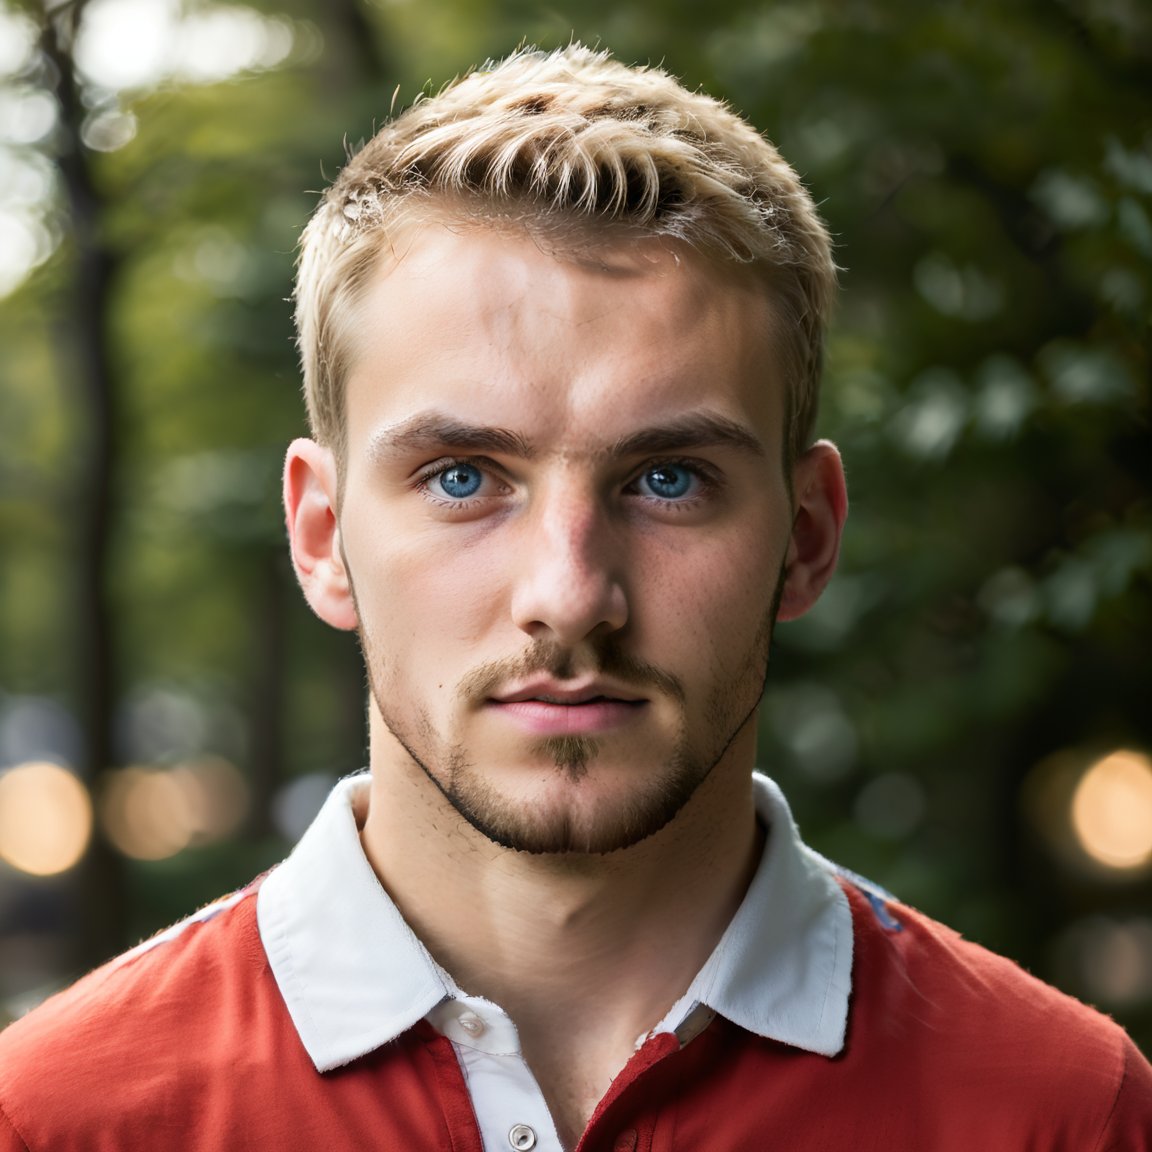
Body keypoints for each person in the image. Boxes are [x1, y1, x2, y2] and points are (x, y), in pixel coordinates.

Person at [1, 43, 1149, 1152]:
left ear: (806, 537)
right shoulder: (57, 1123)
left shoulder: (1064, 1115)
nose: (569, 594)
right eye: (462, 478)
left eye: (667, 479)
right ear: (321, 537)